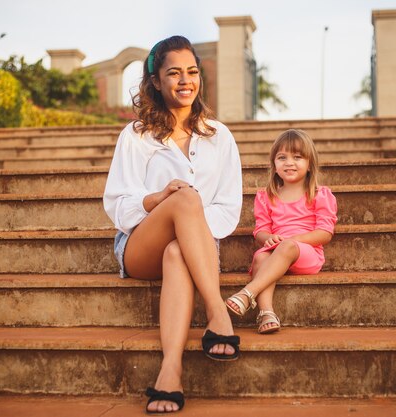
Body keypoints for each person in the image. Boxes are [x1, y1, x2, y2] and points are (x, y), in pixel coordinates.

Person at [103, 35, 243, 414]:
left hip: (191, 247)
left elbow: (229, 209)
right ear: (157, 81)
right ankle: (218, 313)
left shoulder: (220, 137)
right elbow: (117, 205)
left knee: (180, 247)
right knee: (184, 197)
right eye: (174, 73)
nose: (186, 81)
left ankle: (170, 371)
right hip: (138, 246)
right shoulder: (136, 136)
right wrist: (161, 199)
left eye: (192, 72)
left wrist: (188, 222)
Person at [225, 129, 337, 334]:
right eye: (282, 157)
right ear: (274, 165)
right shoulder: (266, 196)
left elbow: (324, 233)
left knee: (287, 246)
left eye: (297, 157)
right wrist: (268, 239)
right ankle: (266, 312)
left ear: (310, 164)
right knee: (260, 258)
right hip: (277, 249)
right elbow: (260, 231)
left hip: (307, 254)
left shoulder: (319, 194)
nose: (289, 162)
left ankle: (247, 293)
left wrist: (292, 240)